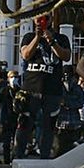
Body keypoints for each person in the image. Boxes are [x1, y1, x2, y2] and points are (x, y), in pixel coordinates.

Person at [18, 14, 72, 159]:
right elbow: (26, 54)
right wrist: (37, 37)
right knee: (24, 125)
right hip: (30, 89)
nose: (40, 21)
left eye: (45, 18)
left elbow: (66, 56)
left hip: (52, 91)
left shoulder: (61, 38)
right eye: (38, 18)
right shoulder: (28, 37)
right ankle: (18, 157)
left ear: (51, 20)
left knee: (48, 128)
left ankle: (44, 158)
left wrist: (51, 40)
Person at [0, 69, 30, 162]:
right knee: (6, 142)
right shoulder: (4, 90)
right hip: (6, 120)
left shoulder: (20, 91)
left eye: (15, 77)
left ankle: (14, 159)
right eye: (12, 77)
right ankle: (6, 161)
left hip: (17, 120)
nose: (14, 79)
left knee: (17, 142)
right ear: (8, 79)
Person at [54, 65, 84, 157]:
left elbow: (80, 103)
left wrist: (67, 103)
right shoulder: (58, 88)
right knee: (60, 149)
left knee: (72, 151)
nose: (66, 77)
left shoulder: (77, 88)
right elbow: (55, 102)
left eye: (68, 74)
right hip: (61, 122)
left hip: (74, 123)